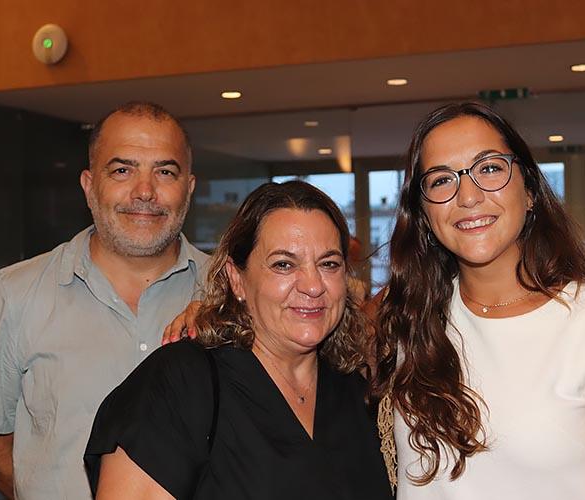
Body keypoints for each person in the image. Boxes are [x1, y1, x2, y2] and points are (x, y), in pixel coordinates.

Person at [372, 102, 585, 499]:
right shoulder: (409, 315)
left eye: (489, 168)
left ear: (530, 191)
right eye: (441, 180)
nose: (468, 196)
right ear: (424, 212)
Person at [84, 181, 393, 500]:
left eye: (329, 264)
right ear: (236, 278)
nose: (313, 286)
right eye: (284, 264)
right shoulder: (182, 382)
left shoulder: (357, 393)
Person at [0, 101, 208, 499]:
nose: (144, 191)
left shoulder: (233, 294)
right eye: (122, 170)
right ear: (89, 185)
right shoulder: (14, 295)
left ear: (189, 188)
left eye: (165, 171)